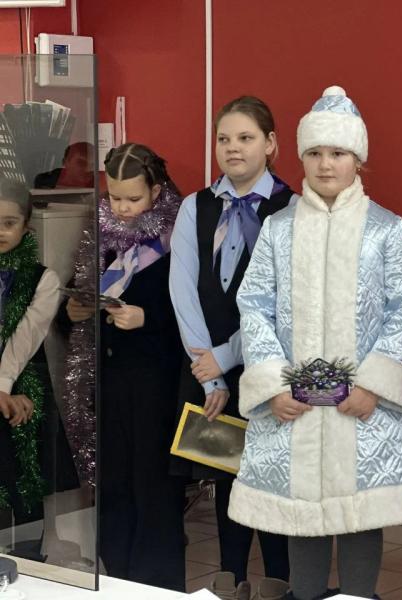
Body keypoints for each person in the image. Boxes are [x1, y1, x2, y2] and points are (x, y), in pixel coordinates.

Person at [227, 85, 402, 600]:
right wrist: (273, 385)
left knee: (360, 516)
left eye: (338, 153)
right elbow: (254, 306)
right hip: (294, 405)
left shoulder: (386, 230)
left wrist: (374, 386)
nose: (326, 165)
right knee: (303, 518)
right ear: (300, 156)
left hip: (362, 408)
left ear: (357, 160)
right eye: (316, 153)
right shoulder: (278, 230)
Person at [169, 96, 292, 599]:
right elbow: (182, 289)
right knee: (226, 475)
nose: (233, 148)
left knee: (272, 479)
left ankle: (279, 582)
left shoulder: (292, 208)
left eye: (245, 138)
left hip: (269, 364)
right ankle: (231, 578)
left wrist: (228, 354)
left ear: (271, 144)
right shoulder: (195, 206)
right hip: (207, 371)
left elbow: (287, 302)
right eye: (224, 139)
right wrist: (210, 370)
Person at [63, 143, 186, 590]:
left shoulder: (177, 234)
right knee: (113, 483)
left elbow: (195, 311)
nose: (123, 208)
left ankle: (157, 583)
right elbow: (78, 289)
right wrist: (74, 311)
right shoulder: (100, 230)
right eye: (114, 197)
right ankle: (116, 579)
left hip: (156, 378)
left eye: (133, 198)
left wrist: (146, 318)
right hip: (109, 377)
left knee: (153, 485)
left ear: (156, 190)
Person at [0, 177, 78, 559]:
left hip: (23, 387)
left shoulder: (42, 278)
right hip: (4, 390)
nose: (1, 231)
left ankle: (29, 563)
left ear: (26, 226)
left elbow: (26, 337)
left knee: (26, 486)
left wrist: (3, 387)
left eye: (9, 223)